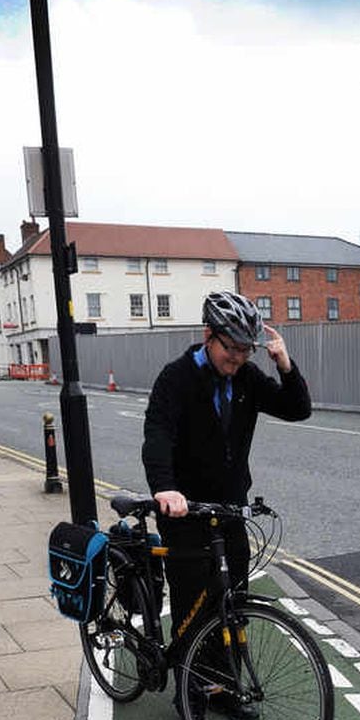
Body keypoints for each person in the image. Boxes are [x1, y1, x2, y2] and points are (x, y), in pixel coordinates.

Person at [142, 290, 312, 691]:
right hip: (186, 512)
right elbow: (157, 434)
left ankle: (225, 681)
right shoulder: (176, 377)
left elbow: (297, 408)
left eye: (245, 350)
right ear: (208, 335)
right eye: (231, 348)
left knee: (233, 602)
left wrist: (284, 364)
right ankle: (193, 693)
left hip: (230, 509)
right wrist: (166, 488)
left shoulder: (247, 378)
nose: (237, 358)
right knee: (193, 604)